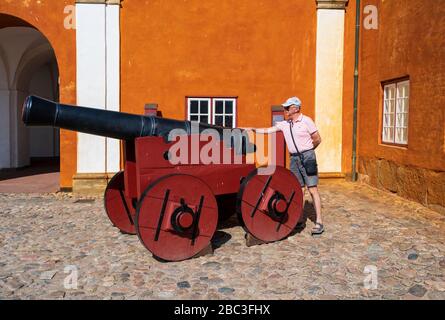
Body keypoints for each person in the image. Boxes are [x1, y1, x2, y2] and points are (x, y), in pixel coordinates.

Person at [244, 96, 324, 235]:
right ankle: (299, 221)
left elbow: (317, 139)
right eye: (285, 108)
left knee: (312, 189)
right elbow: (268, 130)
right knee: (298, 189)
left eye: (287, 107)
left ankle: (319, 222)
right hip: (294, 159)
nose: (285, 110)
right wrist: (253, 129)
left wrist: (309, 151)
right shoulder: (285, 124)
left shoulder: (306, 121)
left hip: (307, 156)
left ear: (296, 108)